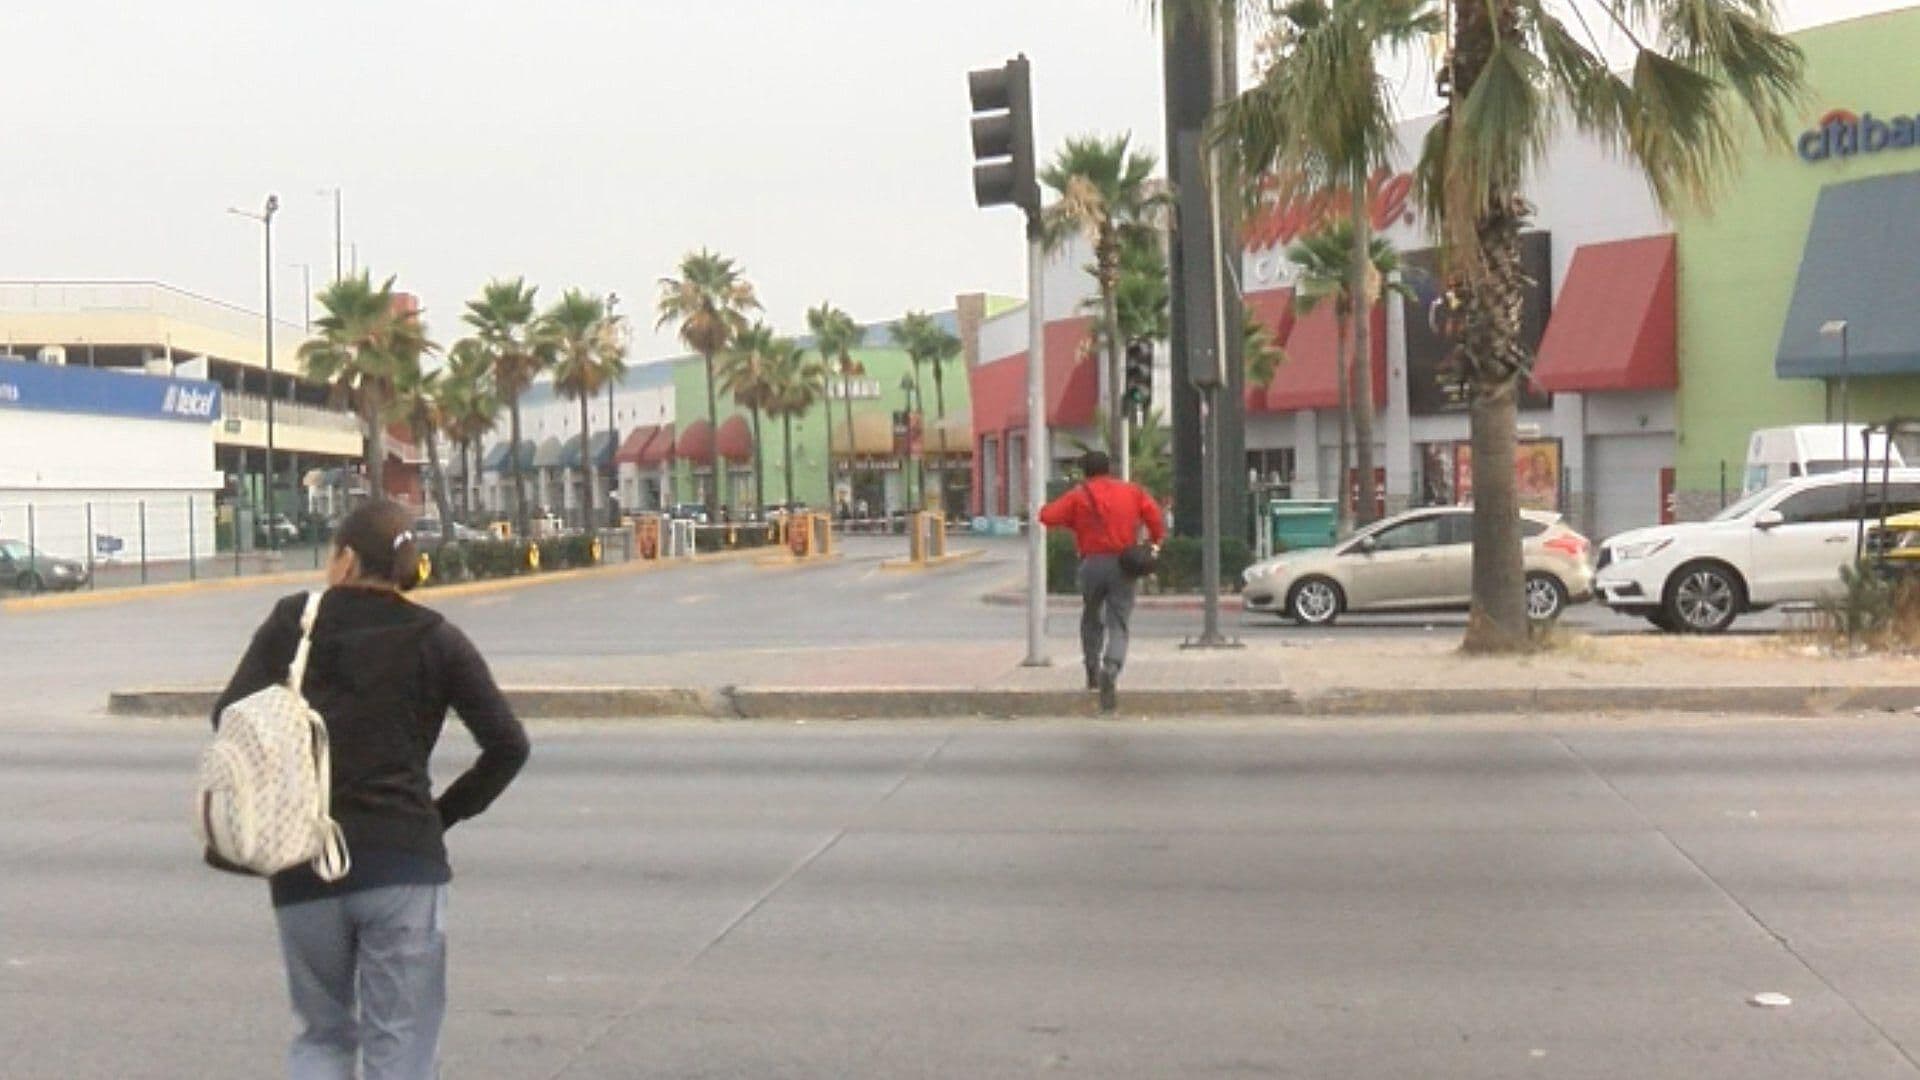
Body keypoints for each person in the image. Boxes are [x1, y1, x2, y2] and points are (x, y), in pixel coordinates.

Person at [213, 499, 530, 1080]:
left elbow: (228, 717)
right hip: (403, 863)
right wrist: (440, 816)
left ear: (347, 558)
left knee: (321, 1035)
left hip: (301, 856)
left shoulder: (294, 623)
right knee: (401, 1048)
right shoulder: (437, 638)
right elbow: (508, 745)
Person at [1038, 450, 1167, 712]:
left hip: (1092, 563)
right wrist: (1154, 542)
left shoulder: (1079, 495)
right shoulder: (1132, 491)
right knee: (1119, 621)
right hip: (1124, 564)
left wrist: (1076, 522)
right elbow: (1155, 518)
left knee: (1091, 617)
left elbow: (1047, 516)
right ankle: (1112, 665)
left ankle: (1092, 670)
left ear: (1085, 471)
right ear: (1109, 468)